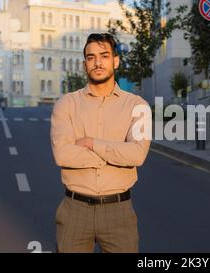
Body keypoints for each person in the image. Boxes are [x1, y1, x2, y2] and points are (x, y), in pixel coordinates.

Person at [50, 33, 152, 253]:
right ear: (84, 64)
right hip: (74, 211)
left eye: (104, 56)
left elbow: (137, 155)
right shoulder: (66, 104)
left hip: (119, 213)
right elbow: (63, 155)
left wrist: (92, 143)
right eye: (91, 57)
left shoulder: (137, 105)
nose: (97, 62)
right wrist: (115, 153)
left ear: (116, 61)